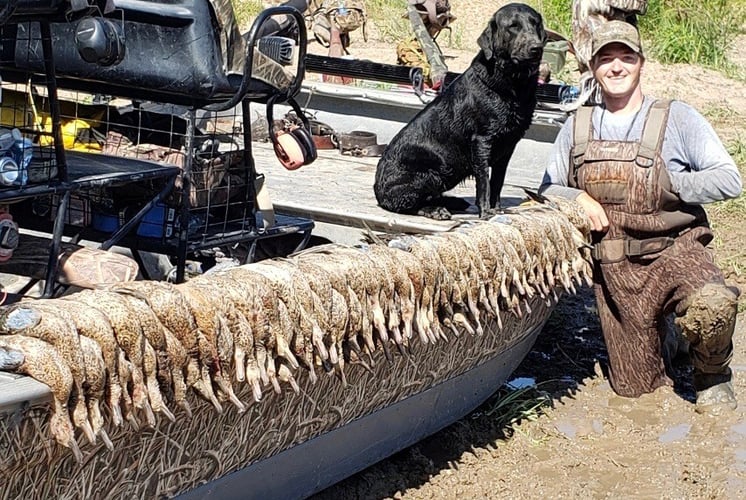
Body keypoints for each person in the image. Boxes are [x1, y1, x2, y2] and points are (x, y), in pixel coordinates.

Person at [539, 20, 743, 414]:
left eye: (626, 58)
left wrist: (670, 184)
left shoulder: (677, 117)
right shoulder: (576, 125)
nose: (616, 67)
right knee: (637, 393)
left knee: (713, 303)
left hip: (675, 252)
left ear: (641, 64)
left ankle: (713, 375)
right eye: (606, 59)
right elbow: (546, 188)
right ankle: (674, 338)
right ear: (592, 68)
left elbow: (729, 179)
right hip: (616, 270)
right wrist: (576, 196)